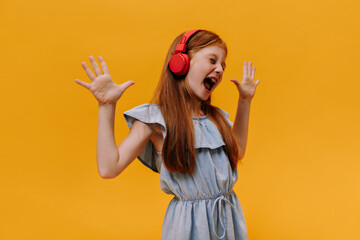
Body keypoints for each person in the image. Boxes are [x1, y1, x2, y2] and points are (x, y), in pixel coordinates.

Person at [75, 29, 260, 240]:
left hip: (228, 221)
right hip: (188, 228)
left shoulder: (216, 118)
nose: (219, 69)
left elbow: (239, 151)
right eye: (212, 60)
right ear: (180, 63)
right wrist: (106, 106)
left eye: (223, 66)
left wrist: (245, 101)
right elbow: (109, 168)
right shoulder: (156, 120)